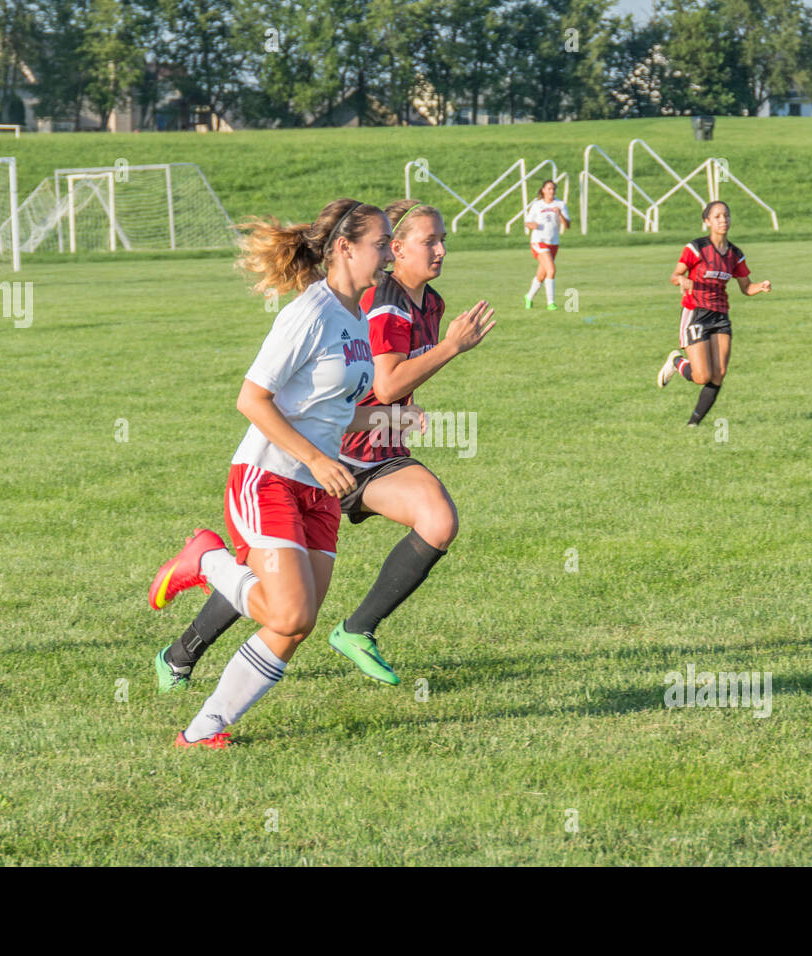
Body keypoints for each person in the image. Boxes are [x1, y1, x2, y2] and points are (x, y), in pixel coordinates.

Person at [154, 199, 495, 690]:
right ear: (394, 249)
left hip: (372, 444)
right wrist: (446, 352)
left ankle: (352, 630)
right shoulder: (377, 306)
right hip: (340, 452)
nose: (441, 250)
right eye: (430, 241)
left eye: (444, 240)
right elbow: (388, 380)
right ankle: (190, 644)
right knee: (276, 583)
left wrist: (391, 417)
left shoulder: (429, 302)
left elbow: (383, 393)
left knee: (433, 522)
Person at [145, 198, 393, 748]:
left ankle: (203, 729)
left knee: (294, 626)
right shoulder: (309, 312)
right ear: (346, 248)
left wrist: (383, 416)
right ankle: (206, 557)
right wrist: (316, 458)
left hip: (320, 490)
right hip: (269, 477)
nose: (390, 253)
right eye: (382, 243)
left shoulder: (357, 317)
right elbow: (252, 399)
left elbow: (330, 407)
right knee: (289, 608)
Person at [655, 201, 771, 427]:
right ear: (707, 222)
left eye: (726, 215)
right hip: (696, 312)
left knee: (719, 373)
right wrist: (682, 279)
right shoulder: (697, 247)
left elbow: (746, 288)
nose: (723, 220)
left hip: (720, 316)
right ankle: (677, 361)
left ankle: (693, 425)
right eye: (717, 216)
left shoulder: (735, 254)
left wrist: (761, 286)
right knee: (701, 376)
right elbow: (675, 275)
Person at [523, 180, 569, 311]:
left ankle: (529, 296)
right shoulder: (537, 205)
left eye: (553, 189)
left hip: (553, 243)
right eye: (548, 189)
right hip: (539, 241)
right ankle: (551, 302)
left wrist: (559, 214)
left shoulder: (560, 204)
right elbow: (528, 222)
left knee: (541, 275)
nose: (551, 191)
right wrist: (533, 225)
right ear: (543, 190)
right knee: (551, 270)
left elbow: (567, 225)